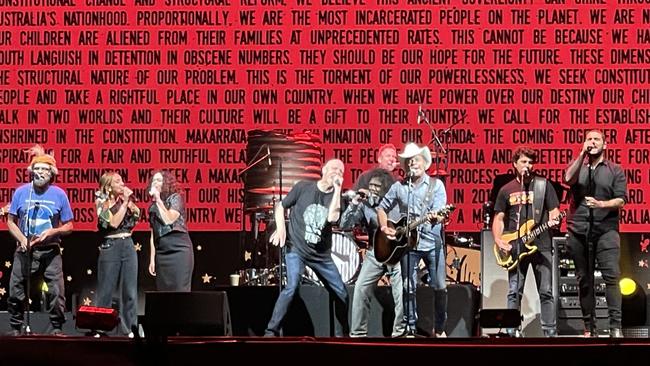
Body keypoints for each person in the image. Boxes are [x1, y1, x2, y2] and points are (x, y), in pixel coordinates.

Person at [265, 159, 349, 336]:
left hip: (321, 256)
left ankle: (342, 335)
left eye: (341, 171)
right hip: (297, 248)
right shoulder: (303, 187)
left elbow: (333, 218)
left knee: (342, 293)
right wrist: (281, 230)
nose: (338, 172)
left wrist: (338, 190)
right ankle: (271, 332)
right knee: (292, 286)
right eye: (334, 168)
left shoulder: (336, 197)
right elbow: (281, 206)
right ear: (324, 170)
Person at [377, 143, 447, 337]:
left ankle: (439, 329)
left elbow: (441, 213)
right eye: (408, 161)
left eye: (415, 159)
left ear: (425, 163)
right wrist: (385, 226)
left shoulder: (436, 185)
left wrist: (437, 217)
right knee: (408, 286)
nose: (412, 163)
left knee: (439, 286)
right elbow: (382, 208)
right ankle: (410, 327)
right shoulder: (399, 187)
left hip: (432, 242)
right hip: (408, 243)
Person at [492, 147, 561, 337]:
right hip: (515, 247)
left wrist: (555, 218)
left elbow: (554, 210)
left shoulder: (543, 185)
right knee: (514, 291)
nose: (528, 166)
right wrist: (499, 240)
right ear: (515, 164)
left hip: (542, 245)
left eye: (530, 162)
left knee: (546, 292)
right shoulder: (506, 190)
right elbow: (498, 218)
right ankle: (511, 331)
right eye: (523, 162)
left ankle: (550, 334)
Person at [564, 130, 626, 338]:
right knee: (584, 279)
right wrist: (581, 155)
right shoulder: (578, 167)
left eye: (596, 139)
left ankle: (615, 327)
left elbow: (621, 200)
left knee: (611, 277)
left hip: (606, 229)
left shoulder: (615, 170)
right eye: (588, 139)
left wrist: (601, 204)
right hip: (578, 229)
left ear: (605, 145)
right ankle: (590, 328)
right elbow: (567, 178)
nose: (592, 142)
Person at [6, 145, 73, 336]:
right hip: (25, 249)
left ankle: (57, 327)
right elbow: (11, 221)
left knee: (55, 291)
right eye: (37, 168)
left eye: (45, 169)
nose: (40, 172)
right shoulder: (21, 192)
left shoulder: (59, 194)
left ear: (51, 173)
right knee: (16, 289)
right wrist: (21, 239)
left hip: (50, 250)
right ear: (31, 171)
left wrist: (54, 231)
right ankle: (16, 327)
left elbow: (69, 225)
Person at [341, 168, 405, 337]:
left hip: (396, 254)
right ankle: (357, 334)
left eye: (376, 186)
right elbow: (345, 224)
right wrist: (354, 203)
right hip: (374, 254)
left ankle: (399, 333)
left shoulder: (397, 202)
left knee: (401, 292)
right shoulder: (365, 205)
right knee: (360, 289)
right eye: (371, 186)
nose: (372, 189)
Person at [94, 171, 140, 337]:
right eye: (118, 182)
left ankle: (129, 329)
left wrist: (129, 203)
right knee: (106, 289)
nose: (122, 184)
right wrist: (124, 203)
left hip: (127, 245)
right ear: (109, 186)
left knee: (130, 291)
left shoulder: (125, 201)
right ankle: (101, 327)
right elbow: (113, 222)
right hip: (110, 245)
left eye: (122, 181)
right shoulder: (101, 201)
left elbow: (137, 215)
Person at [147, 170, 194, 291]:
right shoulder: (152, 207)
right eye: (154, 180)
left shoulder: (175, 199)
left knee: (179, 290)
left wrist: (158, 201)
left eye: (159, 180)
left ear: (166, 183)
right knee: (164, 293)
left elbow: (169, 219)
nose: (155, 183)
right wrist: (152, 258)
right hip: (162, 252)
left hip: (179, 249)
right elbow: (154, 233)